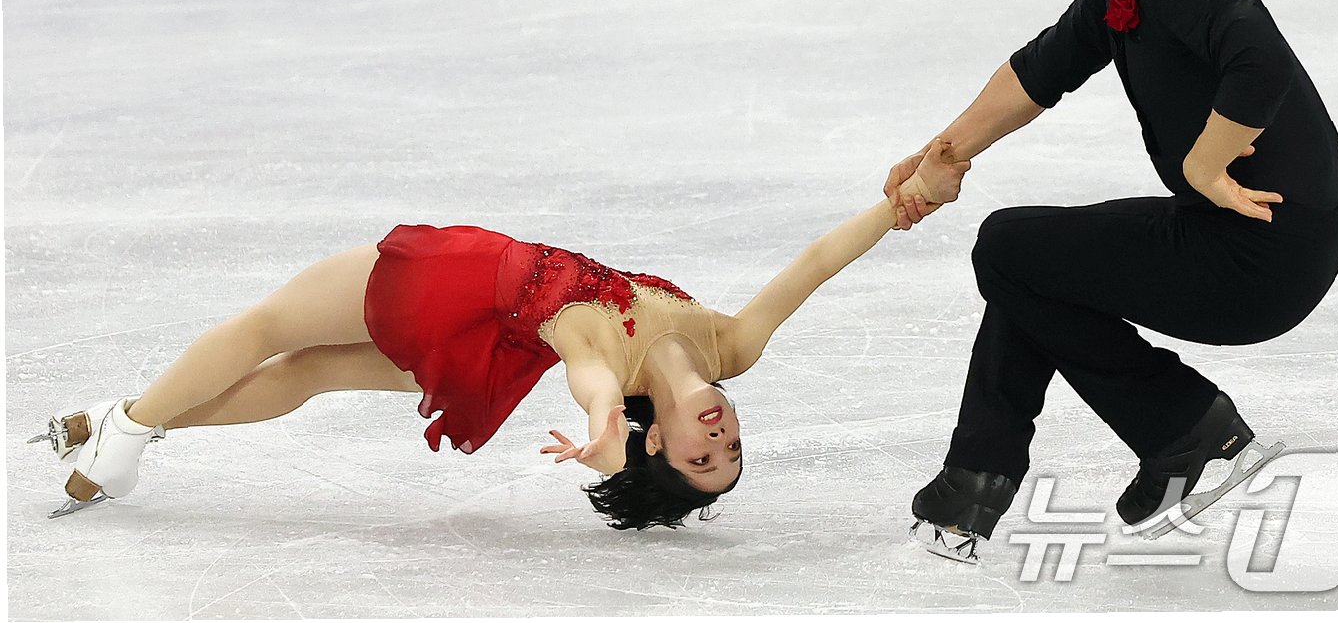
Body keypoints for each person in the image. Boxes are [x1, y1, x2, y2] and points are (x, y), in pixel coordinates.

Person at [885, 0, 1338, 563]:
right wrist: (944, 154)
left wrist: (1206, 164)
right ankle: (974, 486)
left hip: (1262, 250)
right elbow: (1041, 69)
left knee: (1010, 249)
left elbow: (1260, 62)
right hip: (1246, 236)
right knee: (1029, 263)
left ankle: (1182, 426)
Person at [33, 156, 969, 529]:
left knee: (269, 330)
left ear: (656, 439)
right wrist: (900, 206)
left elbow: (588, 376)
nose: (721, 437)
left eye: (701, 457)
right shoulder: (732, 347)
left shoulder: (613, 374)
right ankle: (128, 425)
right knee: (307, 374)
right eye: (733, 450)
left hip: (467, 281)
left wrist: (601, 425)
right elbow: (812, 266)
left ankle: (126, 430)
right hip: (495, 335)